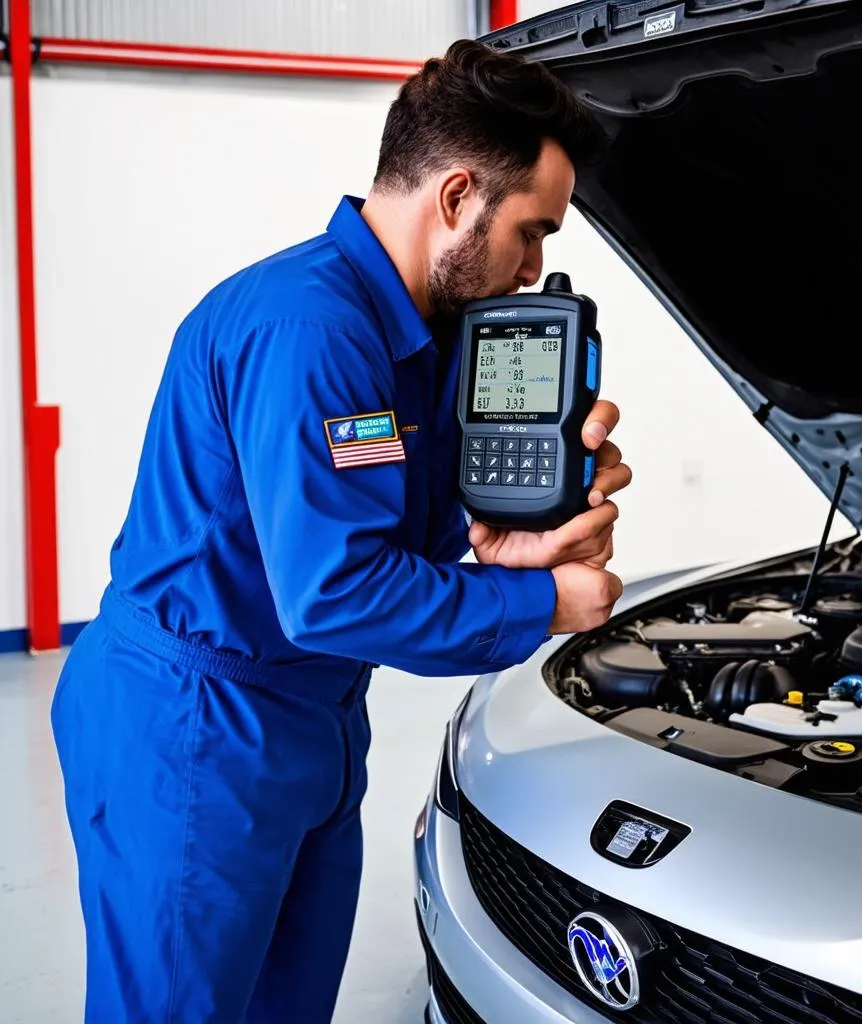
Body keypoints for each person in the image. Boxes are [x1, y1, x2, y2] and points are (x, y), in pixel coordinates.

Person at [50, 37, 631, 1024]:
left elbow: (390, 540)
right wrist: (541, 600)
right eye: (530, 233)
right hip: (193, 731)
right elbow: (335, 590)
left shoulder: (427, 338)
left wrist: (512, 548)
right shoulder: (310, 333)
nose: (534, 269)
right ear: (455, 198)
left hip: (312, 717)